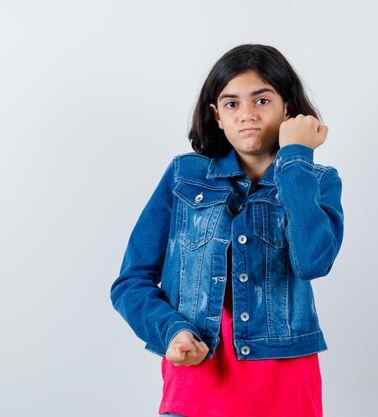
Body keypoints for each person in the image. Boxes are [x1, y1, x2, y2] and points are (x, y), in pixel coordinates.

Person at [110, 44, 344, 417]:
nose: (247, 115)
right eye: (232, 104)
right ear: (216, 115)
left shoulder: (318, 180)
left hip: (284, 382)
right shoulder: (183, 176)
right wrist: (170, 330)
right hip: (198, 374)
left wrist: (296, 158)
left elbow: (314, 261)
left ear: (287, 107)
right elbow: (131, 281)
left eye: (262, 100)